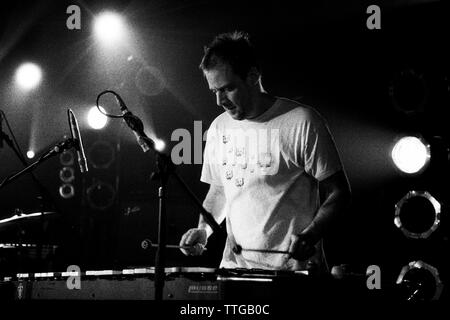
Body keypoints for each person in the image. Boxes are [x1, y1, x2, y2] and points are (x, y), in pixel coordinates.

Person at [179, 31, 351, 272]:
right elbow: (220, 190)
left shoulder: (302, 121)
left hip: (292, 271)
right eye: (214, 91)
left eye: (227, 89)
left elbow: (339, 192)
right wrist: (204, 229)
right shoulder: (219, 127)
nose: (220, 100)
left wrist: (310, 235)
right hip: (234, 269)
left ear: (253, 76)